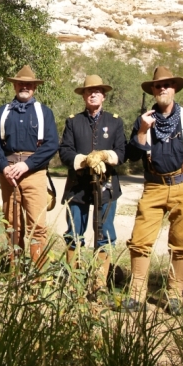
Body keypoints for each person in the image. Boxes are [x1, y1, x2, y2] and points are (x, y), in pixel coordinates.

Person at [123, 66, 183, 314]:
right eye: (158, 85)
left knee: (181, 244)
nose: (162, 88)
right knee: (139, 242)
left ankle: (174, 297)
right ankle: (136, 296)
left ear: (174, 88)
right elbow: (131, 155)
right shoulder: (143, 120)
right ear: (153, 91)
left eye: (167, 84)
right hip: (153, 186)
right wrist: (142, 130)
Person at [59, 74, 126, 291]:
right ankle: (73, 281)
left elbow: (122, 153)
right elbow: (65, 152)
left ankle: (98, 283)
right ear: (84, 95)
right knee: (73, 234)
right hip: (78, 185)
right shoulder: (73, 121)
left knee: (105, 234)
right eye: (89, 91)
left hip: (106, 186)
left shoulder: (115, 122)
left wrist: (105, 155)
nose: (93, 94)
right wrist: (84, 160)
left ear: (103, 95)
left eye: (97, 91)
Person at [0, 65, 59, 266]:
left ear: (34, 87)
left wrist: (27, 165)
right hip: (8, 174)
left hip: (34, 174)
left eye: (29, 84)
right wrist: (4, 167)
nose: (24, 87)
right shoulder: (2, 112)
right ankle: (14, 270)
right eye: (21, 83)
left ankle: (38, 274)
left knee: (37, 225)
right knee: (11, 223)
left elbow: (51, 144)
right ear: (14, 85)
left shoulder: (44, 112)